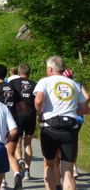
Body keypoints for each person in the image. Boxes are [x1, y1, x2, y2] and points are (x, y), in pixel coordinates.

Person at [34, 56, 90, 190]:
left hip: (50, 127)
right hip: (70, 128)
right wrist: (68, 110)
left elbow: (38, 100)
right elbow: (84, 109)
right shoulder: (74, 84)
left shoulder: (45, 81)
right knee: (68, 172)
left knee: (49, 165)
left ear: (50, 69)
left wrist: (39, 112)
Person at [0, 64, 25, 190]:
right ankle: (17, 174)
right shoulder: (12, 87)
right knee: (10, 153)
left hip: (0, 125)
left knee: (0, 154)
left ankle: (3, 182)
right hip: (14, 123)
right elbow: (22, 107)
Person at [10, 63, 37, 181]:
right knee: (28, 144)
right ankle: (27, 171)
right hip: (31, 115)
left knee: (17, 142)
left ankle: (19, 162)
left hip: (18, 115)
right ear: (29, 73)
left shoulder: (13, 83)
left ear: (18, 72)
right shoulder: (35, 84)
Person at [61, 68, 89, 179]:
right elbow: (87, 97)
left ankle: (66, 167)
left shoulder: (60, 85)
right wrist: (81, 105)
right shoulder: (77, 84)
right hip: (77, 118)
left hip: (64, 117)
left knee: (61, 142)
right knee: (73, 142)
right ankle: (74, 167)